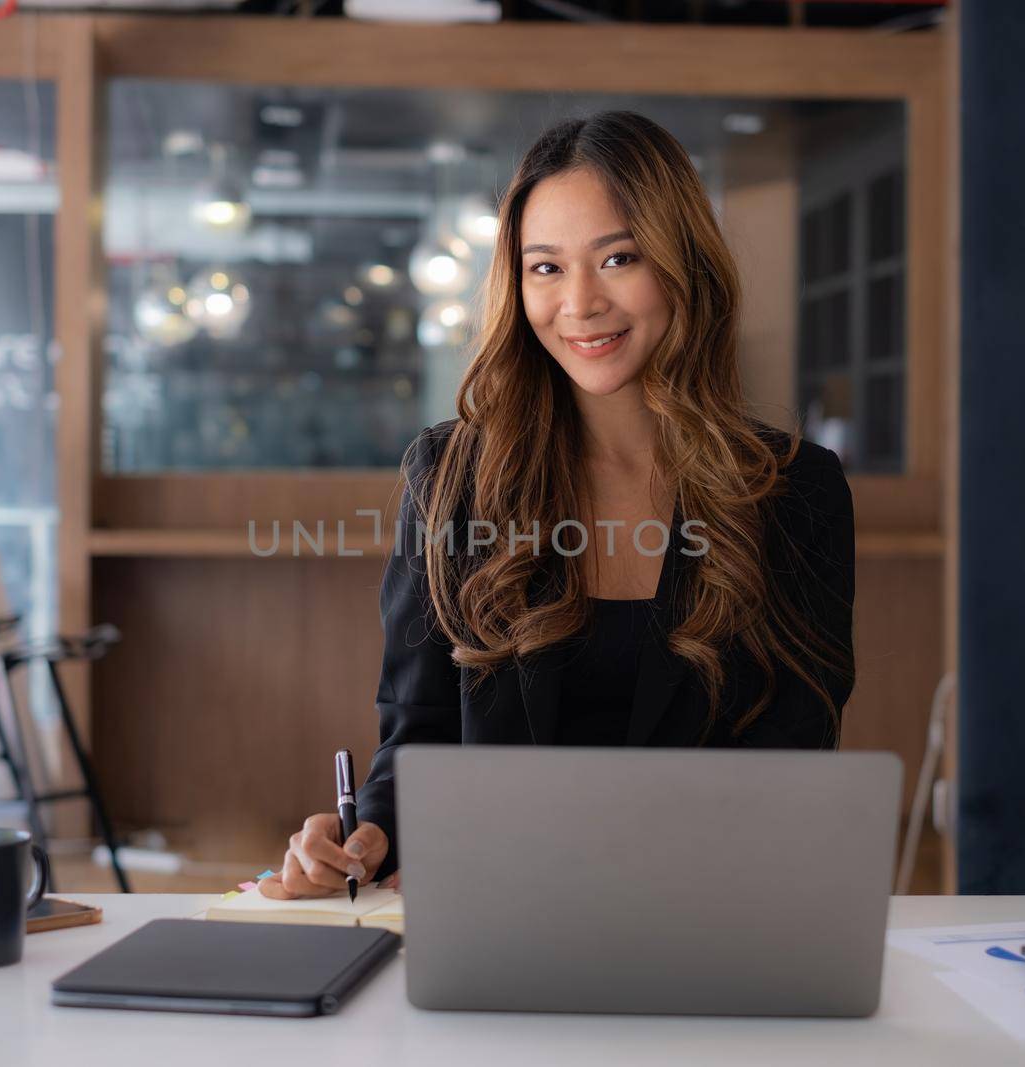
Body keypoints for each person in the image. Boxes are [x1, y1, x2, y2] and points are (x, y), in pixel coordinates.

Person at [262, 110, 855, 900]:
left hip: (713, 921)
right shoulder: (449, 477)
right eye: (545, 268)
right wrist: (362, 837)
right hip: (501, 921)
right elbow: (419, 739)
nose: (579, 303)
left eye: (618, 258)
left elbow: (799, 757)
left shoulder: (796, 491)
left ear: (685, 265)